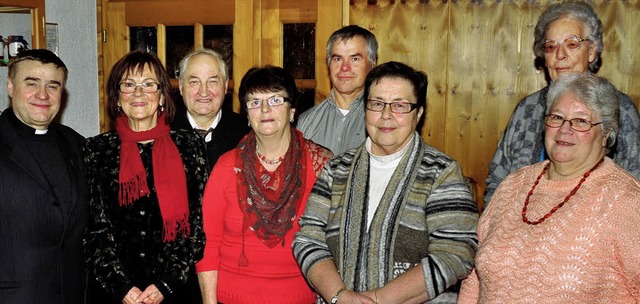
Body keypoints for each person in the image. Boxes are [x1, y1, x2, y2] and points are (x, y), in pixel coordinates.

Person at [293, 61, 478, 304]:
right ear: (365, 109)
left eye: (400, 105)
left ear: (418, 113)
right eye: (377, 104)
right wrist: (339, 296)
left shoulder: (441, 172)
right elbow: (309, 239)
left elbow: (455, 252)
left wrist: (379, 299)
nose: (386, 115)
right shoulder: (337, 169)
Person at [459, 73, 640, 303]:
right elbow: (475, 279)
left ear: (606, 134)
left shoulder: (626, 201)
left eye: (581, 121)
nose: (565, 129)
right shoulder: (512, 186)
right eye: (557, 117)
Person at [196, 66, 333, 304]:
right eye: (255, 102)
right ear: (247, 115)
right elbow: (208, 242)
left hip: (301, 299)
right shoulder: (227, 166)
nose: (265, 109)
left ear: (292, 110)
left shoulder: (322, 165)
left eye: (275, 99)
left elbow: (335, 243)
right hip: (232, 299)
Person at [484, 1, 640, 205]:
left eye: (572, 44)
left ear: (592, 51)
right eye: (551, 46)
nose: (560, 54)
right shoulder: (527, 109)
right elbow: (498, 180)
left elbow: (635, 184)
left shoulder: (620, 108)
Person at [83, 50, 207, 304]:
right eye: (128, 85)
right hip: (113, 293)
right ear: (117, 98)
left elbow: (197, 225)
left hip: (175, 291)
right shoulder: (95, 150)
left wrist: (165, 283)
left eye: (148, 84)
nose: (138, 93)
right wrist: (121, 288)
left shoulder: (190, 146)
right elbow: (94, 228)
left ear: (162, 96)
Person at [0, 49, 87, 304]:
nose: (43, 94)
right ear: (10, 86)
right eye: (32, 83)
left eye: (53, 85)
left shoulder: (78, 145)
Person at [297, 25, 378, 155]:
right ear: (329, 64)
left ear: (372, 64)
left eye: (354, 59)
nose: (344, 67)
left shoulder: (383, 121)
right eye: (337, 59)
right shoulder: (306, 122)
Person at [172, 48, 250, 171]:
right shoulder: (165, 133)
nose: (204, 92)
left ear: (225, 86)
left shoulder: (247, 134)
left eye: (212, 82)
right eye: (194, 82)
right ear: (181, 86)